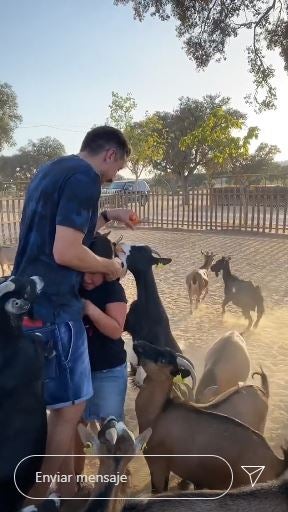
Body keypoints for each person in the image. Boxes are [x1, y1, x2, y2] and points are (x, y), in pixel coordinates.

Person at [14, 126, 133, 506]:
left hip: (27, 303)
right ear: (110, 155)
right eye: (115, 171)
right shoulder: (86, 178)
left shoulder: (52, 170)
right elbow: (66, 251)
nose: (111, 179)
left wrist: (108, 216)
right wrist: (110, 266)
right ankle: (36, 497)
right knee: (70, 410)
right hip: (57, 309)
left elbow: (61, 231)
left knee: (56, 406)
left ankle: (64, 489)